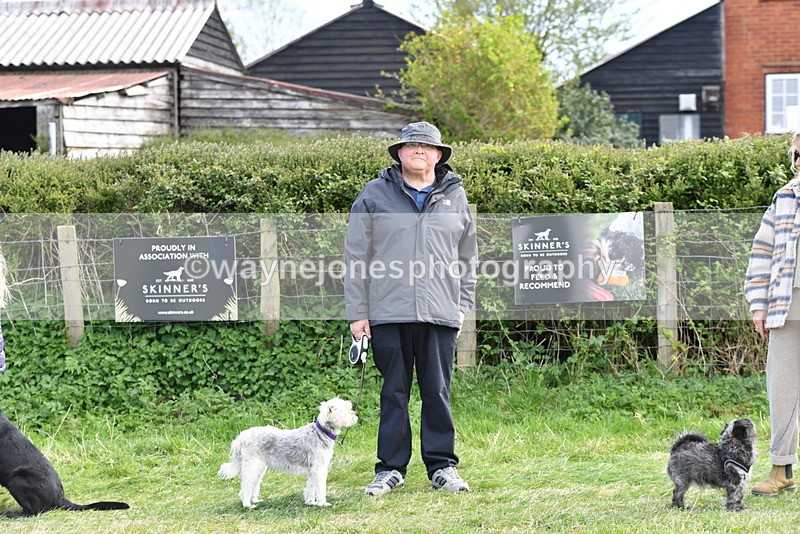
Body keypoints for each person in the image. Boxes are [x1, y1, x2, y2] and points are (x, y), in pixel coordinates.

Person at [344, 121, 478, 496]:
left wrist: (462, 306)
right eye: (411, 145)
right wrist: (358, 312)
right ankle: (390, 469)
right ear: (400, 153)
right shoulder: (374, 194)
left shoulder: (455, 195)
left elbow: (468, 258)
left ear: (438, 155)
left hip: (440, 312)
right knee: (394, 393)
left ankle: (442, 467)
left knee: (437, 392)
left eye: (427, 146)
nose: (419, 150)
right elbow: (355, 256)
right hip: (387, 311)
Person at [745, 132, 800, 495]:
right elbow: (761, 252)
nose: (798, 161)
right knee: (782, 389)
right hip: (786, 305)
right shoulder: (784, 197)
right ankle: (781, 469)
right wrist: (758, 305)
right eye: (797, 154)